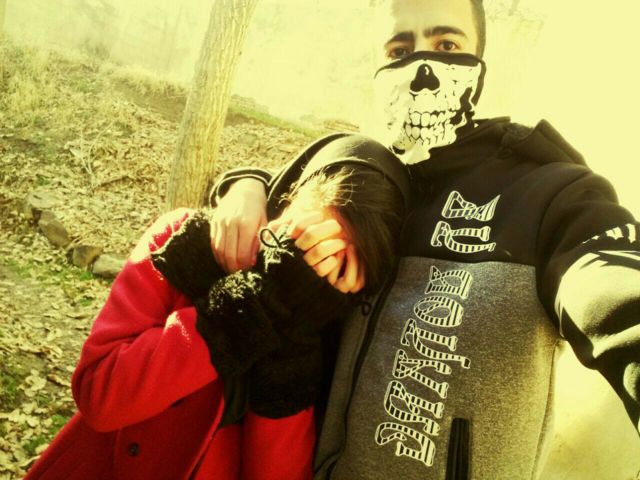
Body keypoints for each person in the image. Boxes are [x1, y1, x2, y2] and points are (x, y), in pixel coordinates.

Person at [209, 1, 640, 479]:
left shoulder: (550, 191)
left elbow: (610, 284)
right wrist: (246, 185)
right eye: (399, 50)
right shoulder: (370, 180)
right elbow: (302, 188)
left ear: (479, 61)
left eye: (447, 45)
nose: (421, 69)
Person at [23, 134, 411, 480]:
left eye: (333, 263)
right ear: (284, 205)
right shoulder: (186, 241)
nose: (309, 264)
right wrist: (250, 302)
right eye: (301, 237)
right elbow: (101, 395)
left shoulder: (342, 332)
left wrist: (293, 345)